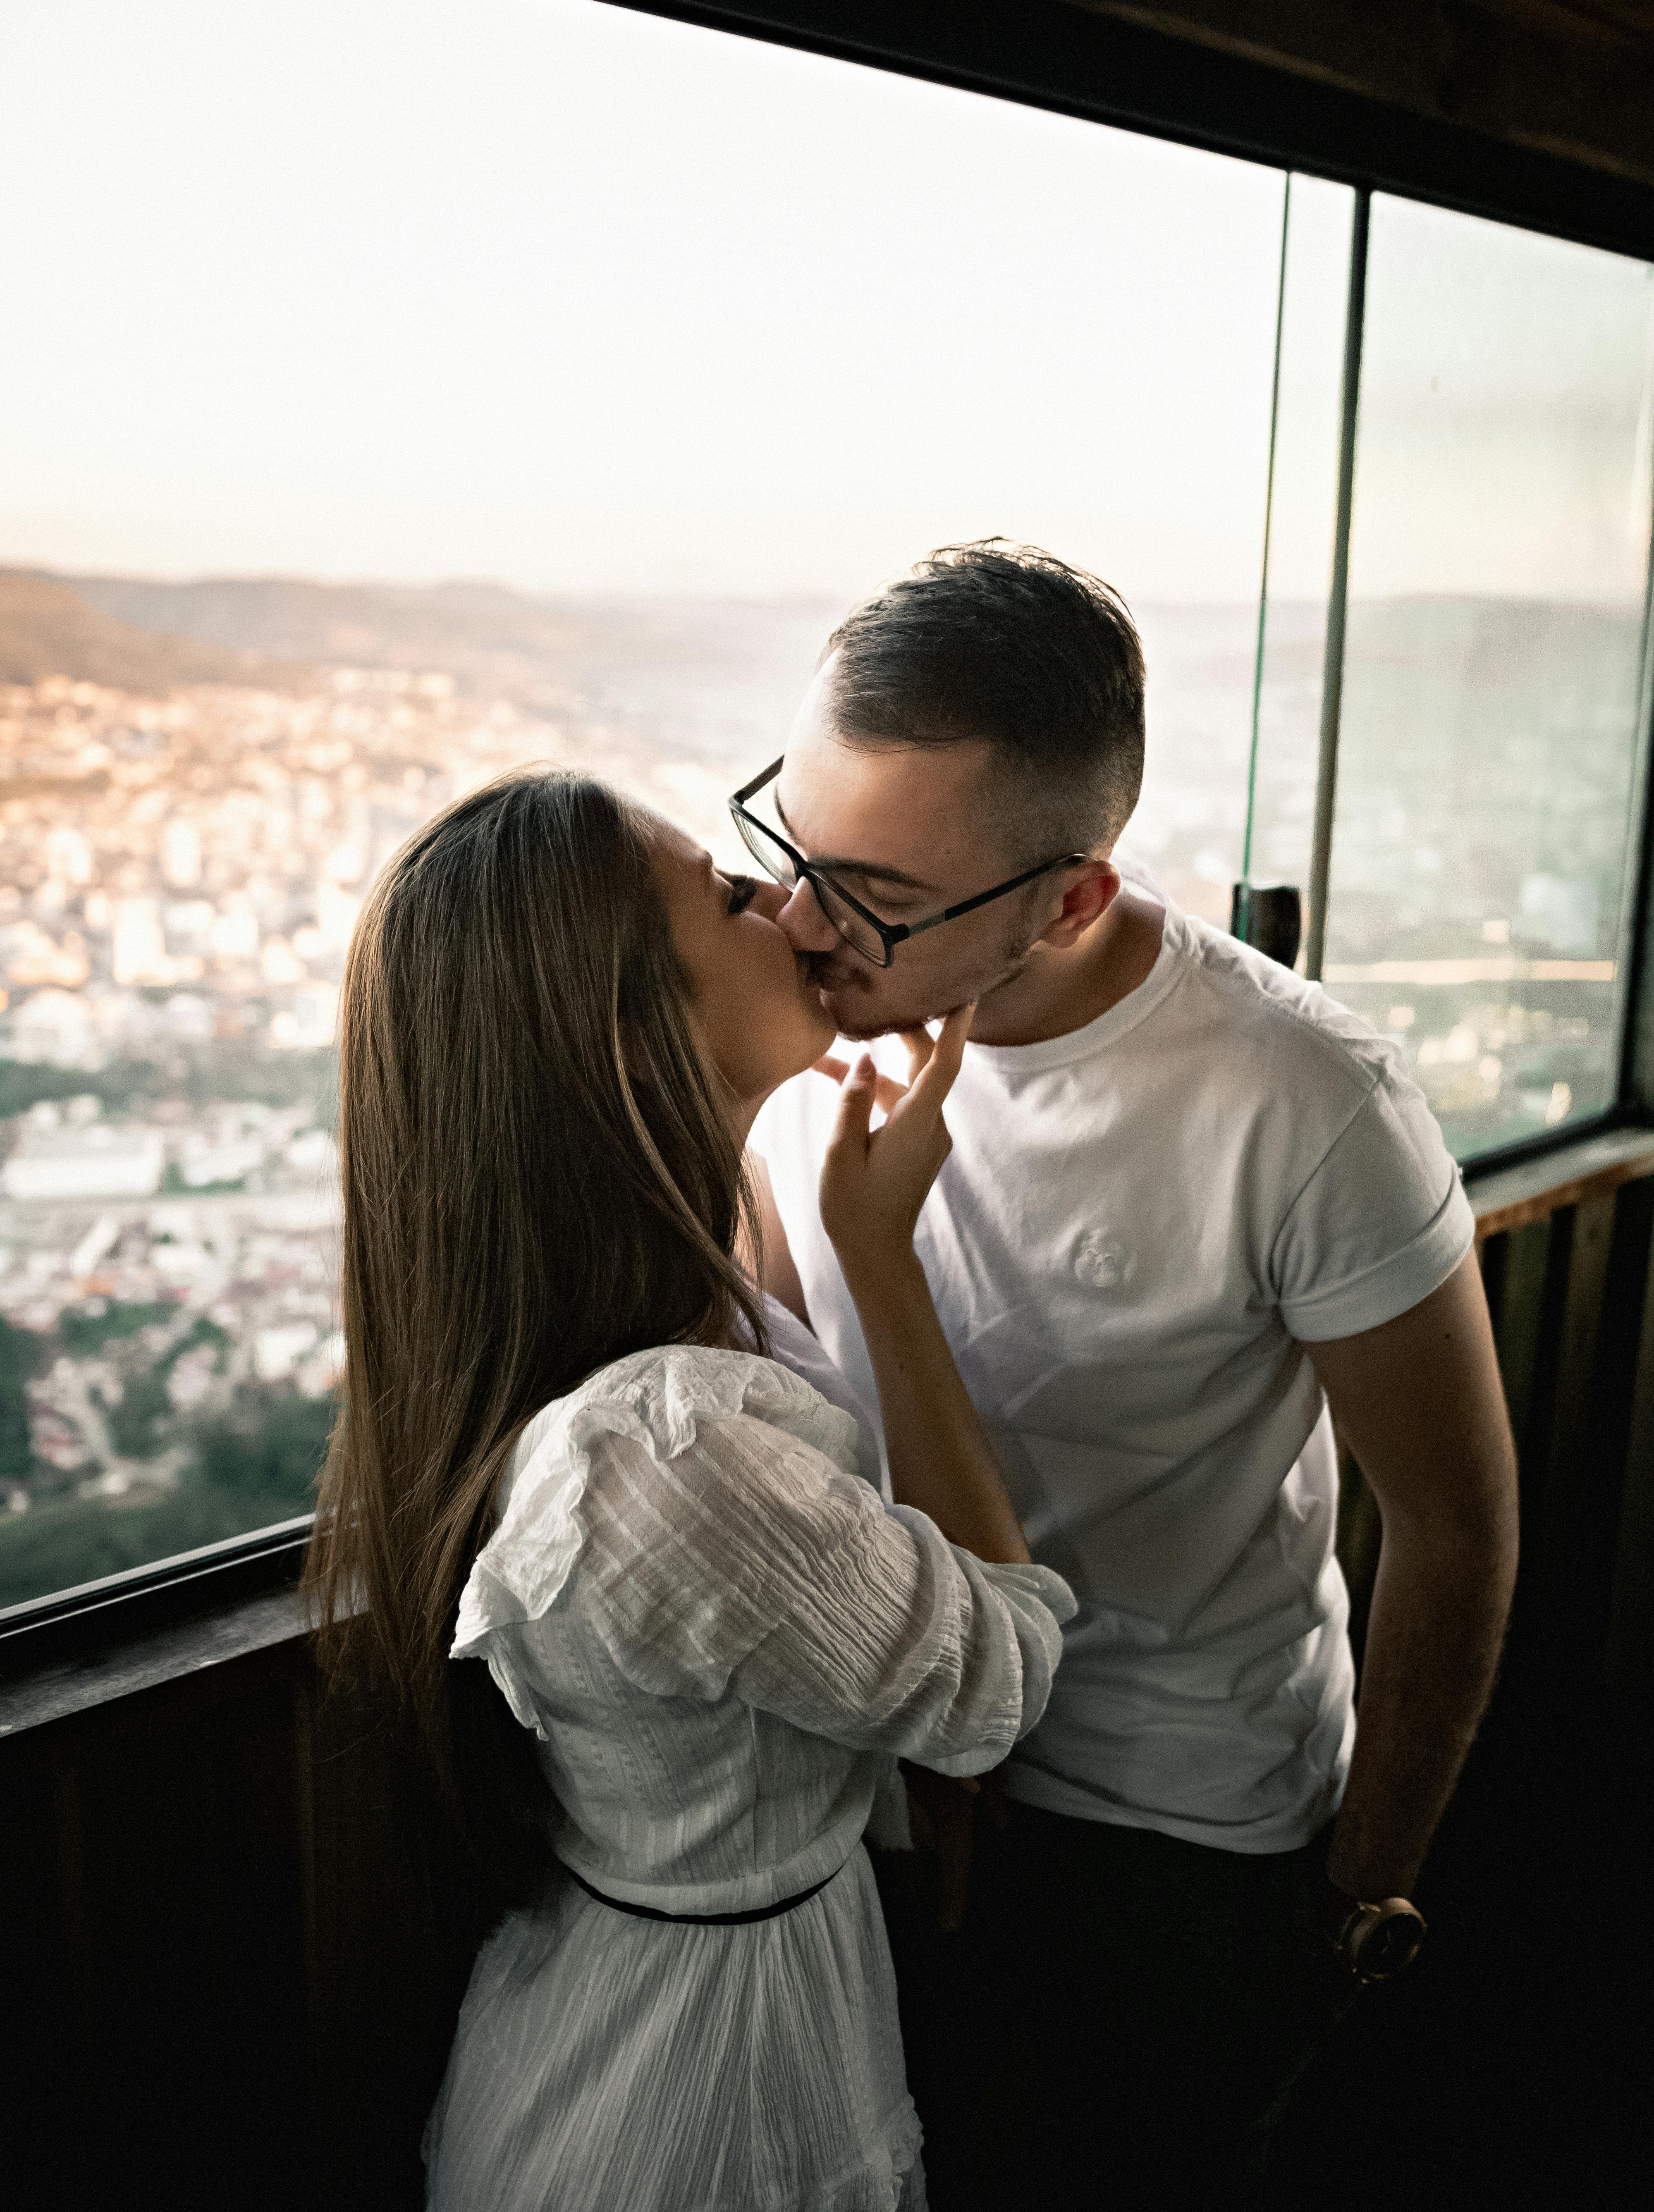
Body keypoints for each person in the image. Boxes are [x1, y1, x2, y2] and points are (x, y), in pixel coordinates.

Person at [739, 541, 1521, 2203]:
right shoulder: (786, 1023)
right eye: (792, 848)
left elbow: (1451, 1528)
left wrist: (1361, 1898)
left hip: (1176, 1836)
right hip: (876, 1780)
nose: (805, 925)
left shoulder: (1303, 1099)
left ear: (1070, 898)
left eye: (874, 896)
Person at [303, 766, 1074, 2212]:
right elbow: (999, 1682)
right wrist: (884, 1255)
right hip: (700, 2103)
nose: (791, 907)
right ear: (624, 1028)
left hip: (637, 2002)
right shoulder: (660, 1456)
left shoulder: (629, 1321)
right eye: (730, 895)